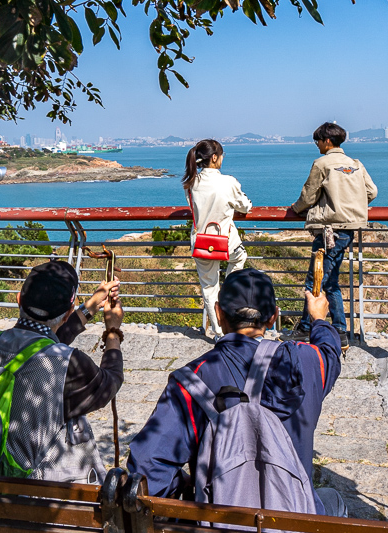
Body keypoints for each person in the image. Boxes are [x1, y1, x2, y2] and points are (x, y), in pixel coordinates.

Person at [127, 268, 346, 517]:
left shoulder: (190, 381)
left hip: (219, 522)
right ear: (274, 317)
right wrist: (319, 319)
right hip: (295, 519)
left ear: (218, 314)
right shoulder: (305, 363)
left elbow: (147, 472)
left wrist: (188, 485)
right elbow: (329, 352)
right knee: (332, 500)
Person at [0, 260, 123, 482]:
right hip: (40, 496)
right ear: (69, 311)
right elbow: (110, 382)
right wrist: (113, 332)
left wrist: (89, 308)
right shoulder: (69, 363)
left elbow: (39, 347)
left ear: (19, 299)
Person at [290, 122, 377, 347]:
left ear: (327, 141)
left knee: (314, 279)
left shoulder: (322, 163)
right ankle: (339, 330)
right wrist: (351, 203)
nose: (317, 145)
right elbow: (372, 192)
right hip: (348, 230)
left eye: (318, 141)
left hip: (330, 231)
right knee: (330, 281)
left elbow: (308, 197)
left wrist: (295, 209)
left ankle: (308, 328)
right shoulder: (355, 164)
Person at [184, 139, 252, 340]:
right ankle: (229, 290)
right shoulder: (228, 182)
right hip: (225, 241)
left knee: (208, 287)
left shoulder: (191, 183)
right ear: (214, 157)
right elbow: (245, 206)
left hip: (202, 243)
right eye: (221, 155)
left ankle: (218, 332)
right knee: (240, 258)